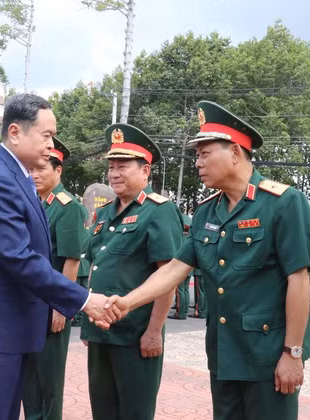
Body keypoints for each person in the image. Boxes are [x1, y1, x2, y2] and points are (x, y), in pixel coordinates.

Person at [105, 101, 310, 419]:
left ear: (234, 152)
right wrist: (126, 302)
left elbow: (299, 279)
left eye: (205, 154)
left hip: (269, 355)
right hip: (224, 351)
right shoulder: (207, 211)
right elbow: (176, 268)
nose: (198, 164)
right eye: (197, 156)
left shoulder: (284, 203)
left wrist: (293, 352)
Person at [0, 93, 112, 420]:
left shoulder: (18, 175)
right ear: (15, 132)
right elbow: (19, 258)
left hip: (6, 328)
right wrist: (84, 300)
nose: (51, 145)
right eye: (46, 136)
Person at [80, 123, 184, 420]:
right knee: (104, 411)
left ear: (145, 171)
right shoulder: (103, 214)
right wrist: (89, 326)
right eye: (111, 166)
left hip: (136, 337)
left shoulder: (159, 211)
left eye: (123, 166)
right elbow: (97, 269)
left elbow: (168, 276)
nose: (114, 173)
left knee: (134, 413)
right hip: (102, 333)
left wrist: (154, 331)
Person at [22, 137, 87, 420]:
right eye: (32, 170)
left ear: (58, 171)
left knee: (49, 375)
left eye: (42, 169)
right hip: (28, 302)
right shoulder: (34, 203)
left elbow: (72, 259)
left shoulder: (67, 206)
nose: (35, 175)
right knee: (29, 371)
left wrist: (62, 307)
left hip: (51, 305)